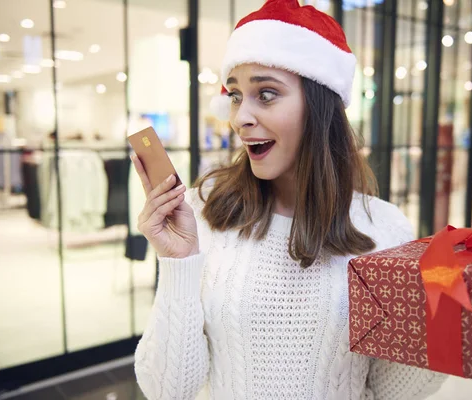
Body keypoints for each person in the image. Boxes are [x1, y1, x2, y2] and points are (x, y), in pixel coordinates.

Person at [132, 0, 447, 398]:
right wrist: (179, 263)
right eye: (234, 95)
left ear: (319, 108)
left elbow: (392, 390)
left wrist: (437, 320)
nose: (238, 117)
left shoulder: (384, 227)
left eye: (265, 94)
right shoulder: (203, 212)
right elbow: (168, 390)